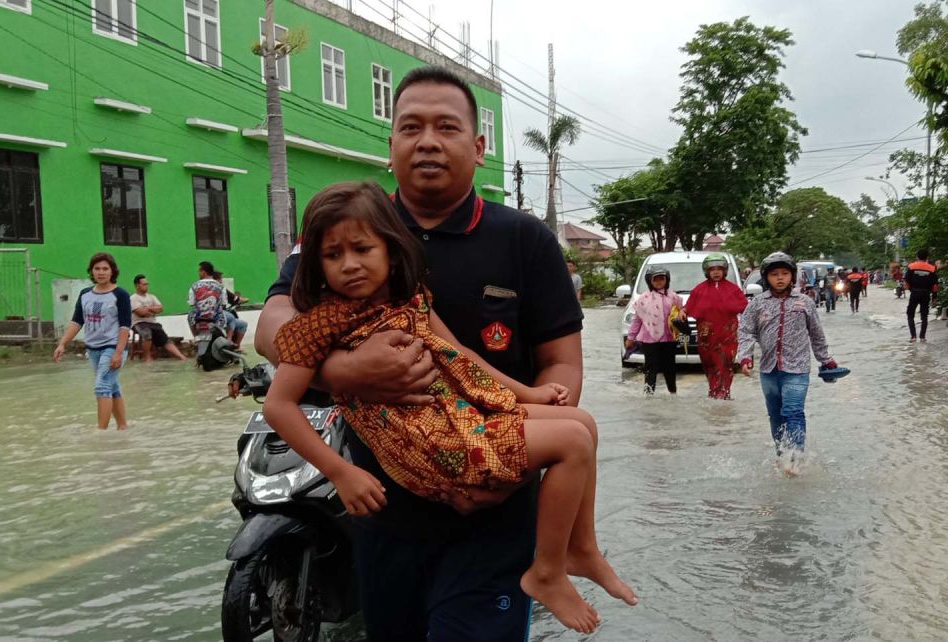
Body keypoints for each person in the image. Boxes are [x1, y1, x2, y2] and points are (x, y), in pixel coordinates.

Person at [250, 66, 636, 641]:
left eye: (446, 127)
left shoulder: (525, 240)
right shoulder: (348, 230)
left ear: (479, 147)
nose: (427, 141)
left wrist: (510, 464)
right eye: (410, 127)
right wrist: (349, 372)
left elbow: (562, 364)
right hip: (384, 507)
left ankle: (567, 556)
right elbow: (274, 323)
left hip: (495, 508)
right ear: (391, 146)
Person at [738, 252, 838, 473]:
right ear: (766, 278)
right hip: (768, 369)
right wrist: (744, 356)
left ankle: (795, 458)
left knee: (793, 411)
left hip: (797, 369)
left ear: (792, 276)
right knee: (775, 415)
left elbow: (817, 334)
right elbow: (745, 331)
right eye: (774, 274)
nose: (780, 278)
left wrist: (826, 360)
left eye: (785, 273)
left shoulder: (805, 302)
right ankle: (782, 455)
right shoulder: (756, 304)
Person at [53, 252, 132, 429]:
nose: (101, 272)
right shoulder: (85, 294)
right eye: (97, 268)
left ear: (112, 271)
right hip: (93, 348)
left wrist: (118, 353)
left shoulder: (121, 295)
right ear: (92, 271)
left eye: (105, 268)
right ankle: (123, 428)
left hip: (113, 347)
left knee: (102, 386)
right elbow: (77, 321)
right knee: (112, 387)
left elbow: (125, 326)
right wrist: (62, 343)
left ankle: (101, 433)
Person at [684, 253, 748, 399]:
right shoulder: (699, 289)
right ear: (707, 271)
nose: (716, 272)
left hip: (728, 338)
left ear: (725, 270)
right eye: (712, 269)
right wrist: (682, 312)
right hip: (706, 338)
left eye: (719, 269)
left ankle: (723, 393)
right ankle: (714, 391)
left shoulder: (734, 289)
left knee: (726, 365)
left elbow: (746, 309)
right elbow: (688, 307)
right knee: (710, 365)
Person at [625, 265, 684, 396]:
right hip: (649, 339)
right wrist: (630, 337)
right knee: (651, 367)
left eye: (661, 279)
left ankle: (673, 393)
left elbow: (681, 313)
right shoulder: (643, 299)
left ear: (667, 280)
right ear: (650, 281)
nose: (659, 282)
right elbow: (637, 320)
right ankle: (648, 394)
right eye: (655, 279)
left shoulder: (674, 297)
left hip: (669, 338)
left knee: (670, 367)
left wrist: (682, 318)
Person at [130, 274, 187, 362]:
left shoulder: (152, 297)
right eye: (144, 284)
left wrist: (148, 308)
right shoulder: (133, 298)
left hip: (153, 323)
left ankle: (181, 357)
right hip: (139, 323)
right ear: (137, 285)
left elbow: (160, 308)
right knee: (147, 334)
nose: (146, 286)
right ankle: (147, 357)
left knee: (165, 339)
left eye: (147, 284)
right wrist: (152, 309)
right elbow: (141, 313)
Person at [904, 248, 940, 343]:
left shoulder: (911, 267)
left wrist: (910, 288)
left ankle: (913, 337)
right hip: (926, 294)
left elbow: (907, 281)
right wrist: (935, 297)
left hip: (915, 293)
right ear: (927, 257)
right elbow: (935, 285)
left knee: (910, 314)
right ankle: (922, 337)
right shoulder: (932, 268)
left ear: (917, 256)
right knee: (924, 316)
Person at [187, 261, 226, 338]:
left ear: (203, 272)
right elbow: (224, 303)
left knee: (190, 316)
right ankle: (223, 338)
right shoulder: (221, 286)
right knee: (223, 316)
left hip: (199, 318)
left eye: (199, 271)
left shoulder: (195, 286)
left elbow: (191, 303)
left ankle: (195, 337)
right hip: (215, 317)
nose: (199, 273)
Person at [213, 270, 249, 345]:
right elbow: (236, 299)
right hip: (219, 315)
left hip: (205, 316)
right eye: (221, 279)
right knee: (236, 320)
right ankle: (231, 342)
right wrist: (246, 299)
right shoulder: (221, 288)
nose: (221, 281)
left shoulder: (205, 288)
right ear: (217, 279)